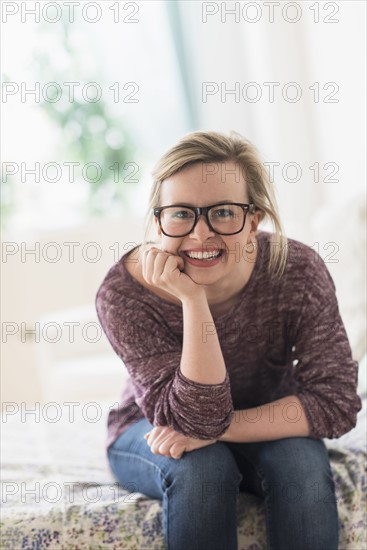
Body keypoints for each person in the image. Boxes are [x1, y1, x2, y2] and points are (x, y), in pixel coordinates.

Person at [95, 131, 362, 550]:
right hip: (154, 426)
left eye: (223, 212)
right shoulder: (124, 293)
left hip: (269, 414)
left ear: (254, 219)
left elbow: (336, 401)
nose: (200, 235)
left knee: (302, 468)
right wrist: (192, 297)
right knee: (203, 469)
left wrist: (222, 429)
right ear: (158, 220)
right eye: (181, 213)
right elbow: (187, 424)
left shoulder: (297, 271)